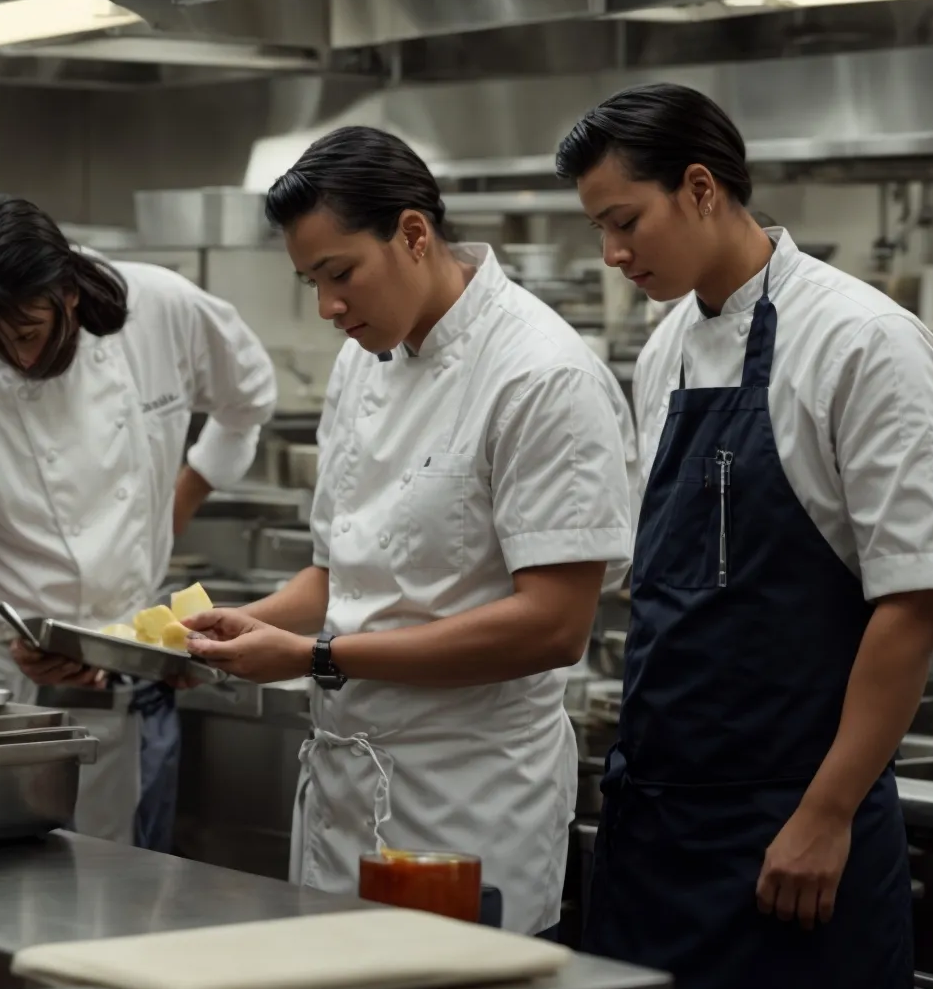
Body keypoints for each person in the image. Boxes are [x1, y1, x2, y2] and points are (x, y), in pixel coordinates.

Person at [557, 83, 933, 989]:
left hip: (790, 827)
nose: (614, 255)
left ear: (701, 187)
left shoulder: (864, 343)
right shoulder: (663, 350)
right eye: (599, 231)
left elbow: (915, 600)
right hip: (657, 829)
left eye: (626, 221)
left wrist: (825, 817)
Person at [181, 126, 636, 935]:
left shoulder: (541, 375)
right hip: (347, 788)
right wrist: (251, 625)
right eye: (310, 283)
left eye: (340, 274)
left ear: (414, 234)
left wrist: (316, 655)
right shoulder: (366, 359)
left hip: (467, 802)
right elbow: (341, 573)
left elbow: (555, 627)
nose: (328, 308)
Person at [0, 196, 277, 846]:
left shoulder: (161, 308)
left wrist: (178, 500)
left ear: (67, 292)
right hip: (9, 697)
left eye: (27, 332)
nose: (14, 356)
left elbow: (250, 397)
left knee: (130, 900)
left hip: (133, 678)